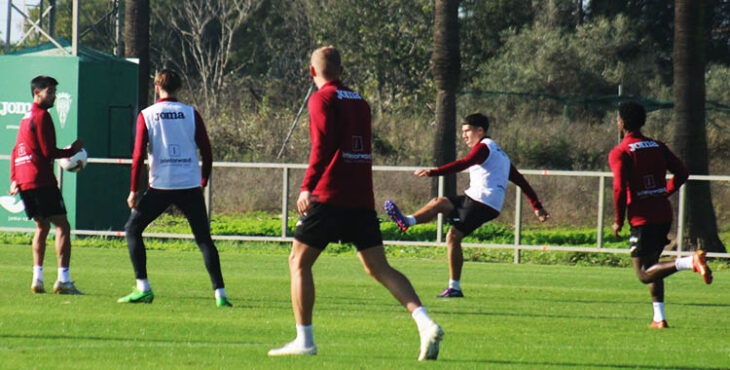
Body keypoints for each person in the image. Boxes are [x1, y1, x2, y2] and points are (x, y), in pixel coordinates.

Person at [268, 46, 443, 361]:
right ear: (341, 70)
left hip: (328, 195)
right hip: (361, 198)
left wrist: (307, 187)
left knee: (298, 261)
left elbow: (322, 145)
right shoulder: (360, 101)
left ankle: (304, 339)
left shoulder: (321, 99)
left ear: (312, 72)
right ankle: (425, 322)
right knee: (379, 267)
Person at [385, 113, 550, 298]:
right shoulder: (500, 153)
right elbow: (521, 180)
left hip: (482, 202)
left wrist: (434, 172)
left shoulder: (483, 149)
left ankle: (454, 287)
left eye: (467, 131)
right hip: (478, 200)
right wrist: (537, 206)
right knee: (440, 203)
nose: (464, 136)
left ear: (480, 131)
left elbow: (464, 163)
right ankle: (408, 221)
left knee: (452, 237)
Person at [117, 69, 232, 307]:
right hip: (189, 185)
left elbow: (138, 155)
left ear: (157, 89)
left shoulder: (147, 115)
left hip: (161, 185)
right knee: (203, 239)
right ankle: (220, 294)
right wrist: (203, 180)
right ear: (179, 88)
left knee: (133, 230)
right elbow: (207, 151)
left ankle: (143, 288)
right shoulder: (191, 113)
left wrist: (133, 190)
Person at [609, 101, 711, 329]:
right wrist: (665, 191)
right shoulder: (657, 146)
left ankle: (689, 262)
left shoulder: (620, 152)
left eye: (618, 119)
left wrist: (618, 220)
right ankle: (659, 317)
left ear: (622, 123)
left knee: (644, 273)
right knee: (654, 265)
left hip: (642, 218)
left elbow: (618, 188)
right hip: (663, 214)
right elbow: (682, 173)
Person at [9, 75, 84, 295]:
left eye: (54, 92)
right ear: (37, 93)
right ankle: (63, 280)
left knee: (42, 227)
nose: (53, 96)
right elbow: (48, 151)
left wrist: (14, 178)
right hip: (41, 179)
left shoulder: (26, 117)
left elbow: (16, 150)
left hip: (25, 180)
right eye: (49, 92)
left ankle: (38, 279)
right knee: (63, 226)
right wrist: (73, 151)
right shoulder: (42, 116)